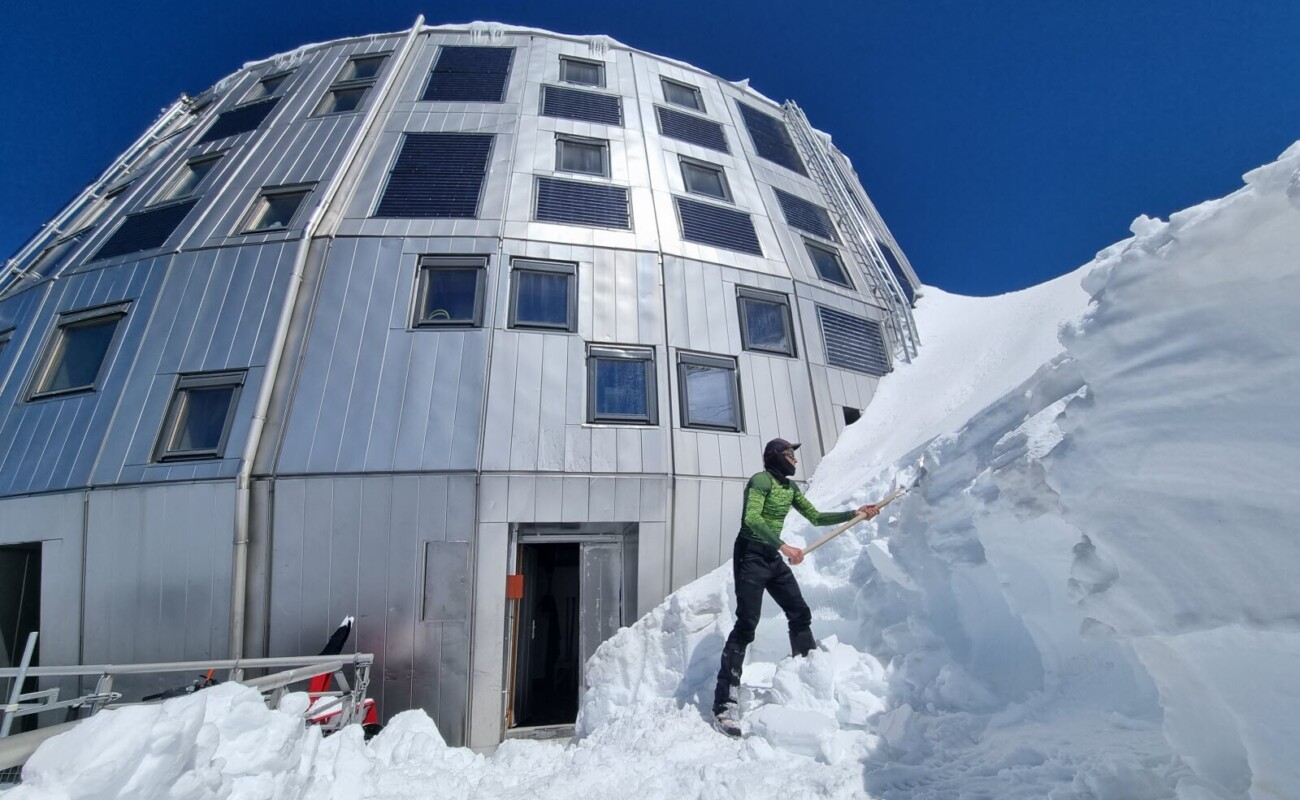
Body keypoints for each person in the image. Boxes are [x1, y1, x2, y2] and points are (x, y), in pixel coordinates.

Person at [711, 438, 879, 735]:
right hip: (750, 556)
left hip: (771, 556)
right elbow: (751, 519)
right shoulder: (760, 481)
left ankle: (804, 676)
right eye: (790, 454)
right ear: (775, 456)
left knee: (799, 612)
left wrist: (854, 513)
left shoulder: (790, 489)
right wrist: (784, 546)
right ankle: (725, 702)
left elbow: (816, 517)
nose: (795, 460)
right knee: (747, 624)